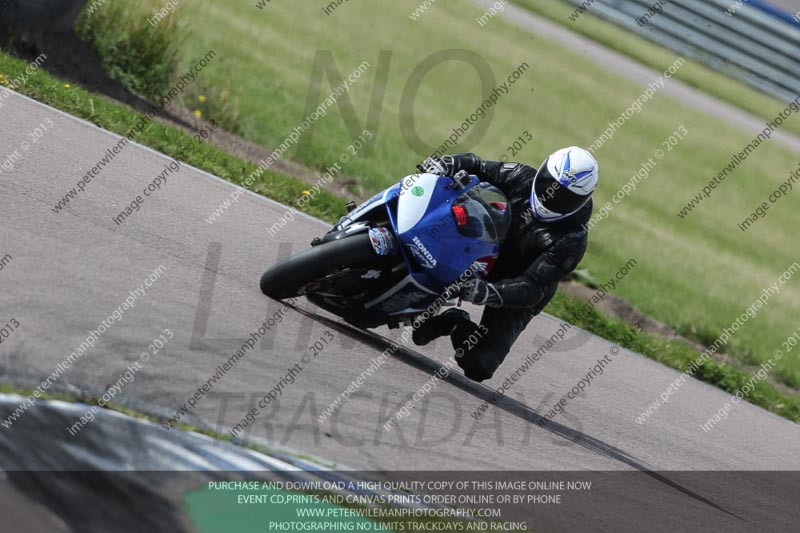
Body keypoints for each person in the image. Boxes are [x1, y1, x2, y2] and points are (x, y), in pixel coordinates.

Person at [412, 147, 599, 382]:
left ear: (583, 200)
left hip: (518, 288)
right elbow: (479, 166)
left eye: (565, 197)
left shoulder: (573, 238)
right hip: (483, 252)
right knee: (419, 327)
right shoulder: (522, 176)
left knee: (479, 365)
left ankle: (455, 322)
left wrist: (487, 292)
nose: (550, 197)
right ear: (543, 171)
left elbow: (533, 287)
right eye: (548, 184)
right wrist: (448, 163)